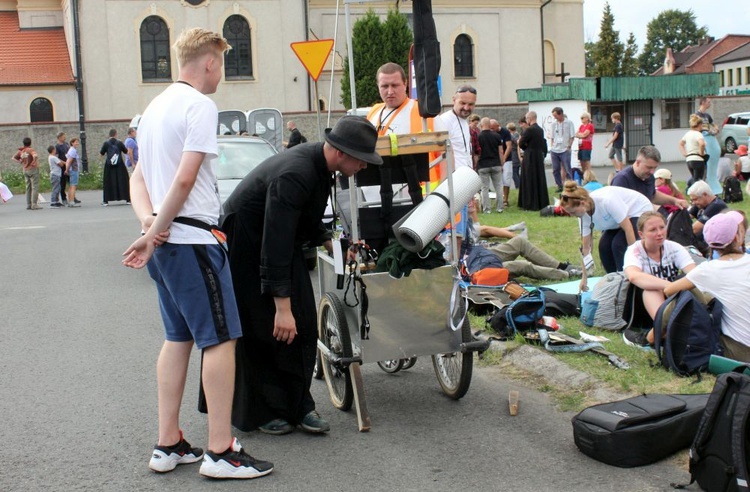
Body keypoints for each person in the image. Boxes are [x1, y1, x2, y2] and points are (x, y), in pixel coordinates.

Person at [121, 28, 273, 480]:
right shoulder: (199, 106)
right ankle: (221, 451)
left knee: (178, 337)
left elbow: (138, 179)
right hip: (192, 241)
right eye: (221, 65)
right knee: (220, 339)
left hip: (168, 243)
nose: (221, 74)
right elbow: (186, 180)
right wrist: (157, 230)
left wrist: (149, 224)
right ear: (209, 62)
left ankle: (168, 443)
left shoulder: (152, 109)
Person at [221, 115, 382, 435]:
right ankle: (265, 411)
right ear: (340, 153)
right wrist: (282, 307)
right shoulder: (296, 173)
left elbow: (305, 217)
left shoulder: (322, 166)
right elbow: (274, 242)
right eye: (362, 161)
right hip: (248, 242)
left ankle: (298, 405)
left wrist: (331, 241)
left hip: (277, 240)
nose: (364, 167)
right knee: (267, 328)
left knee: (305, 323)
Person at [665, 211, 750, 362]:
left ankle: (651, 337)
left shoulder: (708, 270)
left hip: (742, 352)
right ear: (737, 237)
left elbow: (669, 290)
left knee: (688, 293)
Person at [366, 62, 435, 213]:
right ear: (378, 86)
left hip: (414, 196)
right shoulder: (374, 111)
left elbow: (441, 151)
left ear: (405, 84)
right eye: (385, 86)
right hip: (375, 198)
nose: (390, 91)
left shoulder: (421, 113)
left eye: (395, 85)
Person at [622, 212, 696, 348]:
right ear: (641, 234)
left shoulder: (674, 247)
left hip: (671, 301)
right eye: (652, 230)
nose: (659, 233)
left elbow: (694, 274)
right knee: (651, 288)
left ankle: (668, 330)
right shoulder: (634, 250)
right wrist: (670, 286)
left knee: (688, 281)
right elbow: (634, 276)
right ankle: (664, 329)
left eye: (662, 227)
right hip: (642, 305)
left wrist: (675, 287)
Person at [560, 180, 653, 280]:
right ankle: (613, 279)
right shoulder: (582, 215)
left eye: (573, 212)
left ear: (582, 203)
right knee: (604, 246)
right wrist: (584, 278)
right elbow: (586, 248)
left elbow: (628, 228)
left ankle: (628, 277)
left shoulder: (606, 201)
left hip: (637, 210)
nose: (572, 216)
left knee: (618, 244)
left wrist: (635, 257)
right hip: (617, 220)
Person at [437, 85, 478, 248]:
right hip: (453, 185)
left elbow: (465, 154)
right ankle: (454, 268)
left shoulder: (464, 122)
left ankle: (462, 263)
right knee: (455, 234)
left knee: (463, 232)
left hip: (464, 183)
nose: (466, 108)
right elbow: (442, 155)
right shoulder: (444, 121)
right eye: (463, 103)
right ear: (454, 99)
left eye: (471, 104)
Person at [611, 145, 688, 210]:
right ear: (638, 162)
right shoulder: (622, 179)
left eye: (655, 168)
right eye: (649, 167)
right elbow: (616, 209)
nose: (652, 172)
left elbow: (652, 195)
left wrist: (675, 201)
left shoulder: (649, 176)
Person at [484, 235, 582, 281]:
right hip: (477, 268)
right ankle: (567, 274)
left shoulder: (468, 220)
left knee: (519, 241)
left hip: (482, 255)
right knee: (522, 265)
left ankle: (562, 266)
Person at [517, 111, 549, 211]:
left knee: (529, 178)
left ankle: (529, 203)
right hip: (538, 156)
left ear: (529, 119)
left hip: (530, 156)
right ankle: (540, 202)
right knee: (538, 177)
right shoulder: (540, 129)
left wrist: (525, 145)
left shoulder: (528, 130)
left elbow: (521, 143)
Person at [476, 117, 505, 213]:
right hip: (496, 164)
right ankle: (500, 208)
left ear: (481, 125)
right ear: (490, 125)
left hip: (483, 165)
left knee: (484, 188)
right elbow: (500, 151)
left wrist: (475, 164)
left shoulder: (478, 137)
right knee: (498, 187)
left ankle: (487, 209)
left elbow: (476, 153)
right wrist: (502, 163)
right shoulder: (496, 136)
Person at [695, 96, 722, 195]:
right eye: (708, 102)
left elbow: (713, 124)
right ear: (703, 103)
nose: (710, 104)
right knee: (704, 165)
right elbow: (696, 128)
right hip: (704, 139)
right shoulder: (697, 115)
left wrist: (716, 129)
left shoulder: (707, 115)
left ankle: (711, 183)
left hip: (710, 138)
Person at [99, 129, 131, 205]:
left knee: (108, 182)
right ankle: (127, 199)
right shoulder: (119, 143)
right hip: (120, 165)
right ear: (116, 134)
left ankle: (106, 201)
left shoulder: (106, 143)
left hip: (109, 166)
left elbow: (101, 154)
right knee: (123, 181)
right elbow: (126, 152)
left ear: (109, 135)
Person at [548, 107, 575, 192]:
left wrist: (569, 146)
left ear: (561, 114)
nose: (554, 117)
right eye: (553, 115)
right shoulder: (553, 124)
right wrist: (552, 146)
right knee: (555, 169)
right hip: (555, 150)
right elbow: (551, 137)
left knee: (567, 168)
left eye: (555, 115)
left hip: (564, 149)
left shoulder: (569, 123)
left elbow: (572, 136)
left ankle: (571, 186)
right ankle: (559, 186)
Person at [678, 114, 706, 188]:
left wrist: (685, 153)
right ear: (699, 125)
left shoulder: (688, 134)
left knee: (694, 177)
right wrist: (702, 153)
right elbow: (702, 144)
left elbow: (681, 143)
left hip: (689, 160)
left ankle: (690, 188)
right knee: (698, 180)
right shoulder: (698, 134)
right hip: (698, 159)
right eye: (702, 125)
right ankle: (694, 193)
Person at [12, 137, 40, 210]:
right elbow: (35, 155)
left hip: (25, 169)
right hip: (33, 169)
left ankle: (28, 204)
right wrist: (34, 161)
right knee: (35, 187)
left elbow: (13, 158)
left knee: (28, 187)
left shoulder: (21, 151)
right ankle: (34, 204)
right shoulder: (30, 149)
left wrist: (20, 161)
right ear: (30, 143)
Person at [490, 119, 513, 209]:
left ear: (497, 126)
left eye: (493, 128)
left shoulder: (505, 132)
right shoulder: (491, 134)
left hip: (507, 159)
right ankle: (499, 199)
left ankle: (505, 200)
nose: (491, 130)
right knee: (498, 181)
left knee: (506, 179)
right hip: (495, 159)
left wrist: (503, 158)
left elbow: (509, 146)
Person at [55, 132, 71, 205]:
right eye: (63, 137)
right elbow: (57, 157)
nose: (65, 138)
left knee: (71, 182)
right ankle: (63, 198)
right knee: (63, 183)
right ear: (59, 138)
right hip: (62, 166)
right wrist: (64, 162)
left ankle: (72, 196)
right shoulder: (57, 147)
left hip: (69, 165)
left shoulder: (66, 144)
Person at [64, 138, 81, 208]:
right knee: (73, 186)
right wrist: (66, 169)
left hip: (72, 170)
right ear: (72, 143)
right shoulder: (73, 151)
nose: (77, 143)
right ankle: (71, 201)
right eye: (76, 142)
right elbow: (69, 161)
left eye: (77, 142)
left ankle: (70, 200)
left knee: (71, 186)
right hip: (74, 170)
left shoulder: (71, 150)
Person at [507, 122, 521, 189]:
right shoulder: (515, 134)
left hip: (514, 154)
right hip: (514, 154)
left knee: (514, 172)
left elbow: (516, 142)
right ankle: (519, 185)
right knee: (516, 172)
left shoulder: (515, 135)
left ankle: (518, 186)